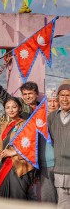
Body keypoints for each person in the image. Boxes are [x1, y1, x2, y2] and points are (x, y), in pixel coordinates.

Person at [0, 66, 39, 200]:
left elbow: (32, 141)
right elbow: (2, 95)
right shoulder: (15, 113)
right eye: (24, 94)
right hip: (8, 162)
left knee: (23, 196)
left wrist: (14, 152)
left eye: (30, 93)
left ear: (36, 94)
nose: (27, 96)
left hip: (25, 160)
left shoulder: (43, 109)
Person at [0, 97, 34, 199]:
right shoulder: (5, 125)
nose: (11, 110)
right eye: (7, 107)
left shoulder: (26, 125)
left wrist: (13, 152)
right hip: (3, 164)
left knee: (17, 197)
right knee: (2, 197)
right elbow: (1, 143)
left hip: (18, 165)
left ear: (20, 108)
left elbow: (31, 145)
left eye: (14, 107)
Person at [48, 79, 70, 209]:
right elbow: (52, 139)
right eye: (62, 95)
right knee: (62, 205)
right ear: (58, 98)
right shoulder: (52, 117)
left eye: (68, 95)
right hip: (60, 171)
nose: (65, 99)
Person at [39, 89, 59, 203]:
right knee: (47, 198)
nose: (52, 104)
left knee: (64, 198)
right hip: (45, 164)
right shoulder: (39, 119)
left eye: (55, 101)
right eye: (49, 101)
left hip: (63, 164)